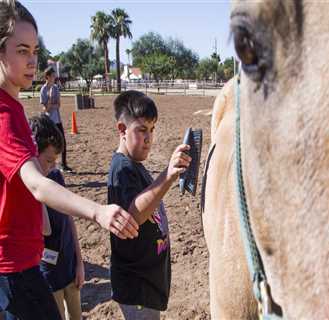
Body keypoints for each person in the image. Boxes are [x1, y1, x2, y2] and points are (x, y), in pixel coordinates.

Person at [0, 2, 138, 319]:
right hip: (14, 271)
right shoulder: (5, 115)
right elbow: (36, 183)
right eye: (21, 50)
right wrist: (97, 211)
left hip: (23, 263)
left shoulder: (15, 108)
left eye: (34, 49)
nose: (32, 60)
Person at [108, 90, 191, 319]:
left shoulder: (135, 166)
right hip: (136, 286)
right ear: (122, 130)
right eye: (142, 130)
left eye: (152, 130)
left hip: (147, 283)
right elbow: (132, 215)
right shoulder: (121, 169)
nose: (148, 138)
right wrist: (168, 175)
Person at [30, 115, 83, 320]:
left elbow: (69, 219)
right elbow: (45, 229)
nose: (53, 166)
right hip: (47, 275)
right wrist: (37, 189)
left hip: (69, 268)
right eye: (49, 160)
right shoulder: (28, 189)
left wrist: (79, 263)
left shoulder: (56, 176)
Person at [40, 66, 72, 172]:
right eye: (53, 76)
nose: (54, 77)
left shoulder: (56, 88)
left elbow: (58, 105)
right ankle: (47, 165)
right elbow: (46, 109)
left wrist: (52, 104)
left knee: (62, 141)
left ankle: (64, 164)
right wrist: (49, 100)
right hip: (48, 121)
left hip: (57, 120)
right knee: (48, 145)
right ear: (47, 77)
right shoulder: (43, 89)